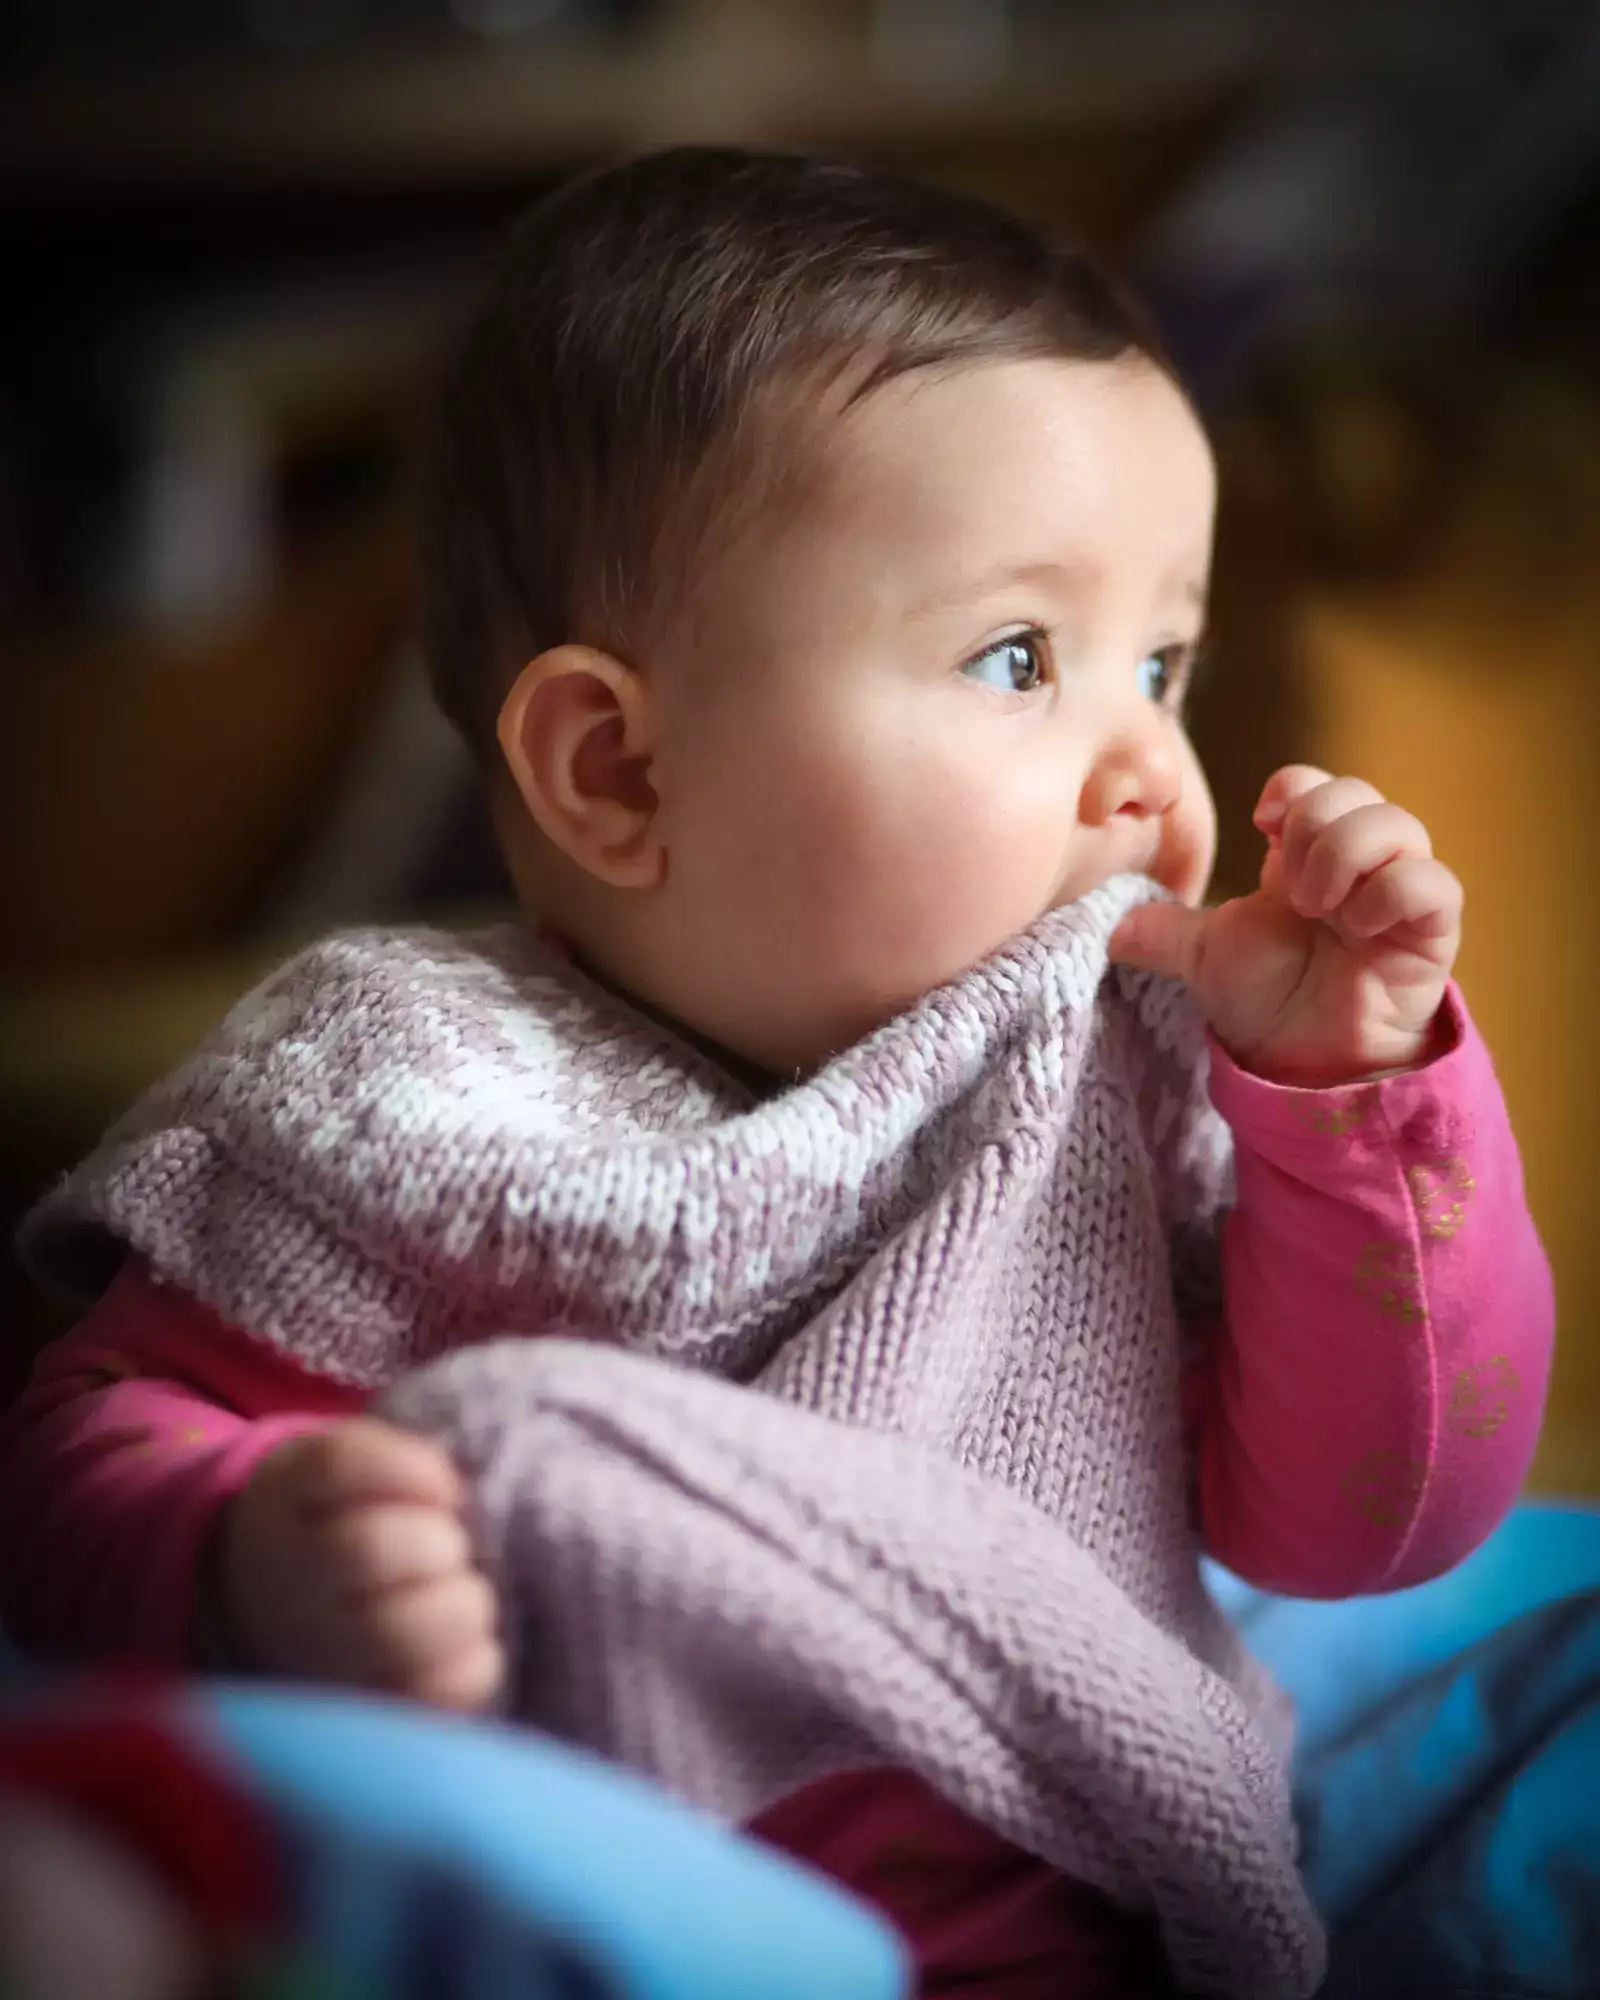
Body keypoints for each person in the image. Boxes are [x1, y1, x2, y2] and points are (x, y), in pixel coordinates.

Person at [0, 149, 1553, 1998]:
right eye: (1016, 656)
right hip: (631, 1871)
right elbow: (76, 1457)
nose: (1148, 767)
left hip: (1073, 1889)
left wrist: (1351, 1108)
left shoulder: (1126, 1101)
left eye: (1167, 660)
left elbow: (1368, 1522)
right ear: (620, 776)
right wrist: (239, 1546)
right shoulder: (409, 1092)